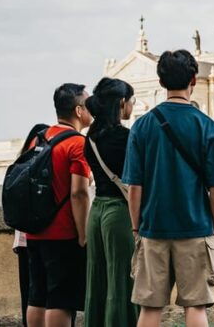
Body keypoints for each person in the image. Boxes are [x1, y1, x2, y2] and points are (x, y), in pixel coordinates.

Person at [123, 50, 214, 327]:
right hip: (196, 228)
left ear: (161, 82)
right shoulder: (209, 128)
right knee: (196, 308)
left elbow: (134, 187)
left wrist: (137, 227)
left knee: (149, 309)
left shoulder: (142, 126)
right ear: (193, 79)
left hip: (153, 228)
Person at [26, 84, 92, 327]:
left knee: (37, 295)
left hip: (33, 231)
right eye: (88, 104)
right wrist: (83, 234)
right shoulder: (78, 144)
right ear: (78, 110)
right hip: (62, 233)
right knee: (60, 298)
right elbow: (79, 193)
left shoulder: (38, 138)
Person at [83, 78, 139, 327]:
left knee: (97, 282)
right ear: (121, 103)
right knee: (121, 282)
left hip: (96, 212)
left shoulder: (90, 137)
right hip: (119, 213)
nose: (133, 105)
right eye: (131, 100)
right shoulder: (127, 137)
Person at [12, 123, 50, 327]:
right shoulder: (44, 160)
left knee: (28, 292)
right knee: (48, 294)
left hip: (22, 237)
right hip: (44, 236)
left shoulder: (20, 164)